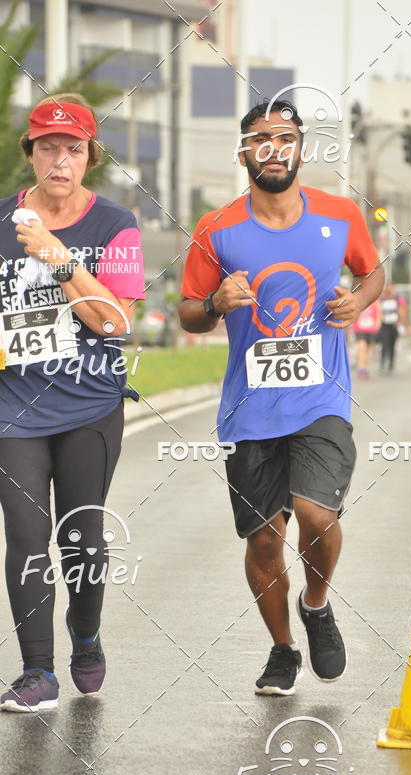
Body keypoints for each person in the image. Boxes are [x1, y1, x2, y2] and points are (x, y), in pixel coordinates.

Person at [179, 100, 383, 696]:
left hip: (322, 399)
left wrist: (359, 302)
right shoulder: (216, 229)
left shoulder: (340, 215)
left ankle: (315, 605)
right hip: (252, 407)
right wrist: (216, 304)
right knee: (264, 538)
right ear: (243, 151)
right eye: (261, 139)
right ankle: (282, 649)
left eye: (286, 137)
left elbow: (374, 273)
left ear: (301, 148)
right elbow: (189, 312)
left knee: (317, 515)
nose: (274, 148)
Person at [0, 94, 145, 712]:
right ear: (29, 152)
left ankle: (85, 636)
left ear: (90, 158)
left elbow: (114, 322)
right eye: (49, 147)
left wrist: (61, 261)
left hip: (89, 405)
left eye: (74, 149)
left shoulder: (117, 226)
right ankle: (38, 671)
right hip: (15, 408)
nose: (61, 159)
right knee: (27, 533)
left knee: (82, 537)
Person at [353, 294, 381, 377]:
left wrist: (377, 325)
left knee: (369, 349)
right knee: (362, 347)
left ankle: (365, 368)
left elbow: (379, 313)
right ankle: (361, 368)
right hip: (359, 328)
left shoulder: (375, 301)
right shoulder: (358, 300)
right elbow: (354, 313)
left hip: (371, 329)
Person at [378, 282, 401, 374]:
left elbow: (402, 311)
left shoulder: (397, 299)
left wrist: (400, 323)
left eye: (391, 288)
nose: (389, 290)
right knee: (384, 344)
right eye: (387, 288)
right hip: (384, 324)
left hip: (394, 325)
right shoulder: (381, 299)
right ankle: (383, 363)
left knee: (392, 345)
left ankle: (391, 364)